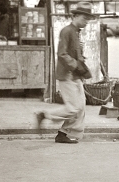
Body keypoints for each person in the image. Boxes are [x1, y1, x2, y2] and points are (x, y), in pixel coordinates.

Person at [36, 2, 96, 144]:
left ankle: (63, 134)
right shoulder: (67, 31)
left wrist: (81, 65)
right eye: (84, 18)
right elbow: (62, 54)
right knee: (74, 108)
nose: (86, 22)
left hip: (75, 75)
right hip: (67, 75)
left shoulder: (75, 32)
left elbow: (74, 53)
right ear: (75, 16)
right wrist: (76, 65)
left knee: (80, 107)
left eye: (88, 19)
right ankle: (44, 115)